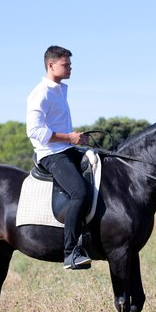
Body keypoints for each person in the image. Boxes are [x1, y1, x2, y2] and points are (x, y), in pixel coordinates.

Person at [26, 45, 92, 270]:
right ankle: (70, 253)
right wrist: (68, 137)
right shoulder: (41, 92)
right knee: (79, 192)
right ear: (50, 65)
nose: (70, 68)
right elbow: (34, 130)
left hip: (66, 149)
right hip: (51, 155)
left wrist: (77, 140)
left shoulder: (60, 89)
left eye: (70, 64)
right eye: (66, 64)